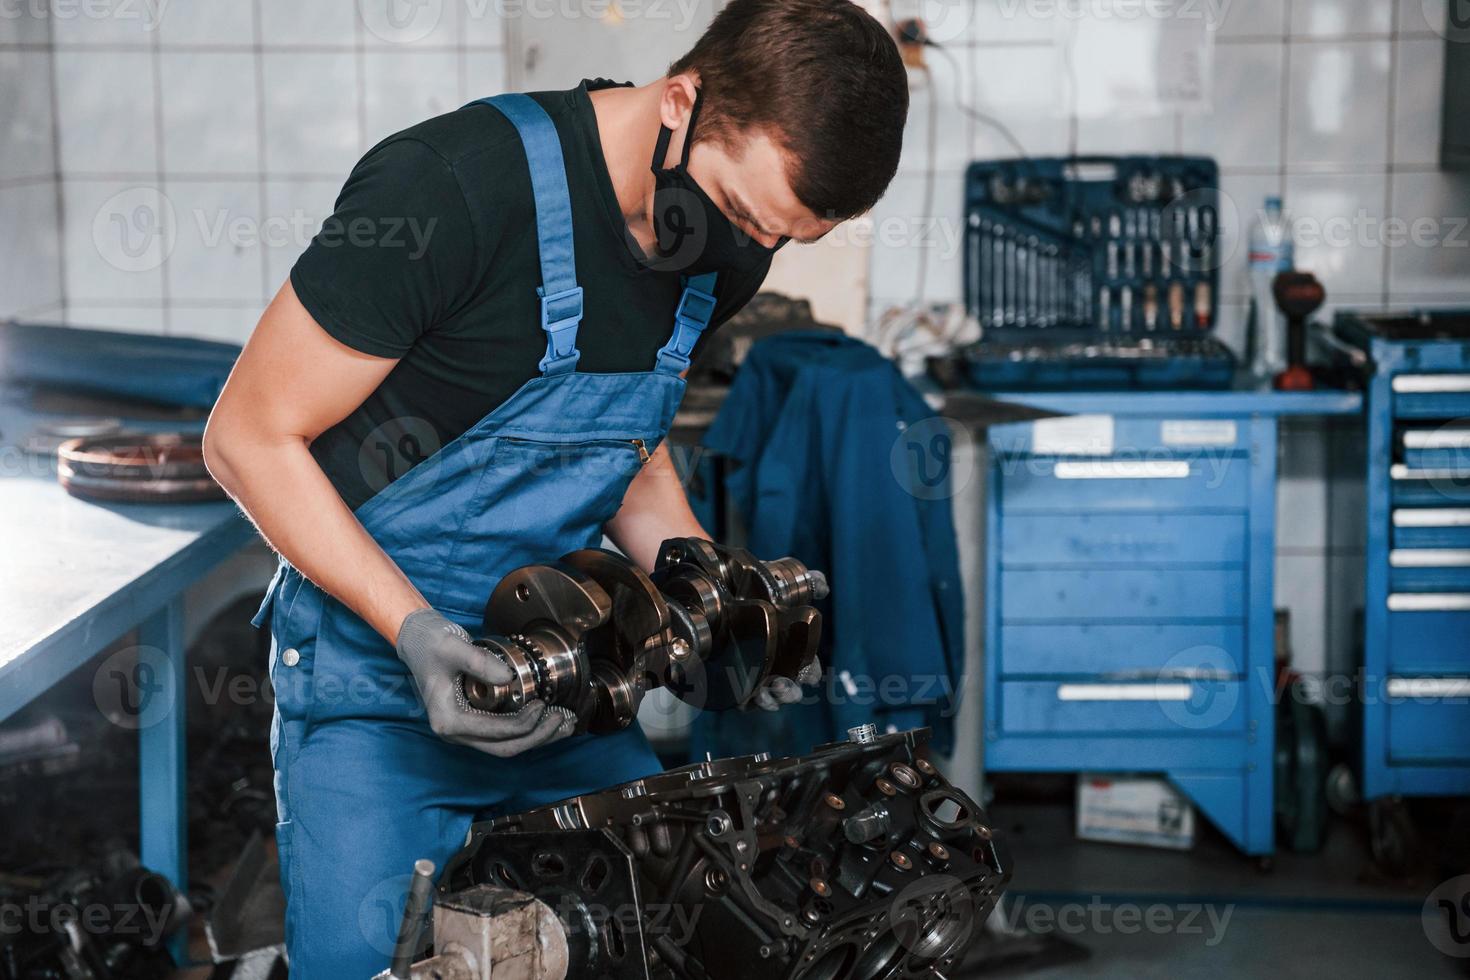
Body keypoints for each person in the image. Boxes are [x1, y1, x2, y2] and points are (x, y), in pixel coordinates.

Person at [202, 0, 908, 972]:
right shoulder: (452, 187)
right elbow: (246, 436)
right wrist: (414, 631)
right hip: (376, 690)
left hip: (563, 692)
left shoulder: (719, 247)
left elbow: (625, 443)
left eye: (785, 237)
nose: (753, 249)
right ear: (682, 101)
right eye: (746, 213)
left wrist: (715, 595)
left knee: (651, 938)